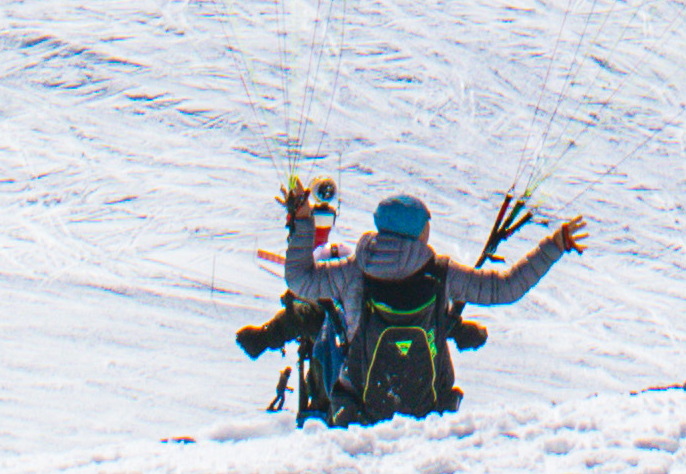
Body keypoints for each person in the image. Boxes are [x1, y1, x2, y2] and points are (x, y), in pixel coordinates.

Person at [252, 180, 588, 425]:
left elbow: (299, 279)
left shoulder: (353, 271)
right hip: (428, 409)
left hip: (360, 409)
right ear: (419, 232)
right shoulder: (441, 274)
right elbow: (506, 288)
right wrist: (554, 246)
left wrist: (303, 222)